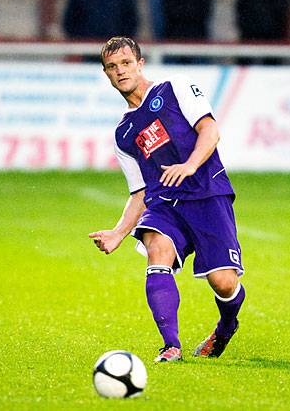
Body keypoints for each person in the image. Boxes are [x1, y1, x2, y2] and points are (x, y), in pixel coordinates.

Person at [89, 37, 246, 363]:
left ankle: (227, 324)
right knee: (156, 249)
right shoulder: (123, 133)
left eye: (126, 63)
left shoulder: (175, 88)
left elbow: (210, 130)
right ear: (106, 74)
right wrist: (118, 233)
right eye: (112, 67)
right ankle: (171, 345)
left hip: (206, 193)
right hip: (165, 205)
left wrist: (189, 165)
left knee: (224, 281)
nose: (120, 71)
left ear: (140, 63)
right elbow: (139, 192)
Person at [62, 0, 138, 42]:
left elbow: (131, 21)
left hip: (114, 49)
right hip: (86, 50)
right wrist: (79, 40)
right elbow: (70, 21)